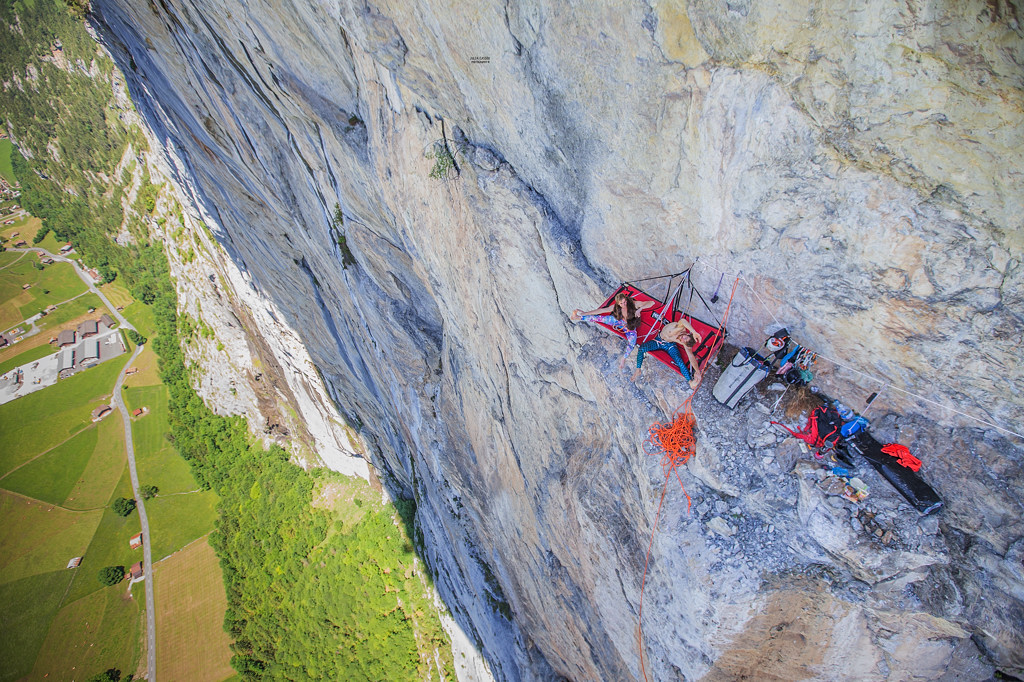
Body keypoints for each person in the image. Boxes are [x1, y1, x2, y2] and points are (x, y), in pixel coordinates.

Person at [571, 292, 656, 370]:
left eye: (625, 302)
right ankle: (578, 317)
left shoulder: (633, 304)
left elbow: (651, 303)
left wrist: (639, 309)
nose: (624, 304)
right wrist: (584, 313)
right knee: (600, 318)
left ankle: (624, 358)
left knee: (632, 342)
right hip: (619, 321)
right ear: (618, 303)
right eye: (621, 303)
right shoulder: (615, 307)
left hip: (630, 326)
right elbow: (601, 310)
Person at [631, 317, 703, 389]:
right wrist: (694, 332)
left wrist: (698, 372)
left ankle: (690, 382)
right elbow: (683, 321)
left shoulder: (685, 342)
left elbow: (691, 356)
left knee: (680, 362)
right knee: (642, 348)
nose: (682, 339)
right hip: (658, 341)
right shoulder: (679, 328)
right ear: (688, 334)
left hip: (670, 345)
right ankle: (638, 369)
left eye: (684, 341)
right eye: (685, 338)